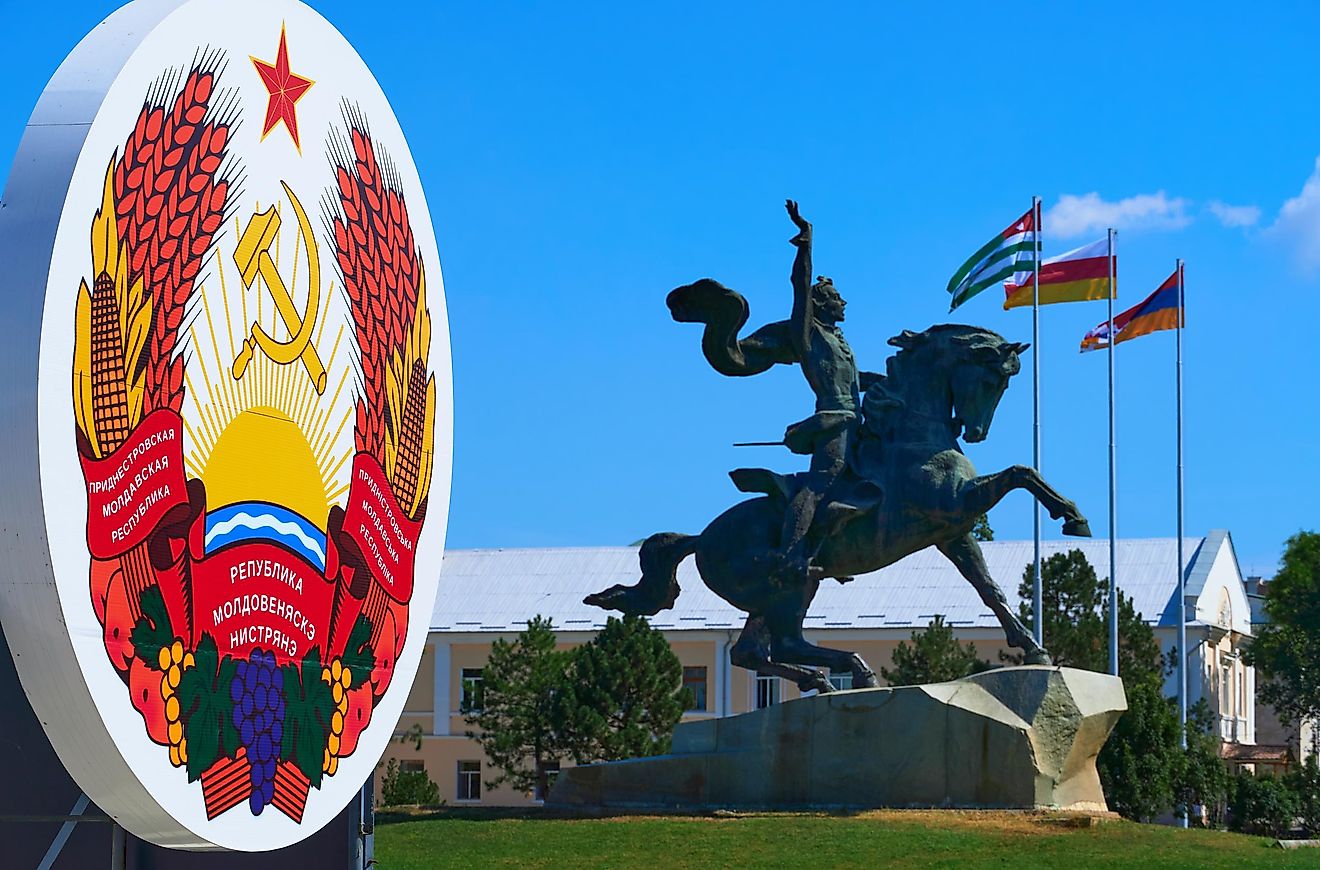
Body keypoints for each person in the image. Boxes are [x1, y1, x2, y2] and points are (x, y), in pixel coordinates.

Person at [774, 200, 861, 581]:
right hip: (832, 420)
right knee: (822, 482)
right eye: (838, 298)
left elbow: (858, 383)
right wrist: (805, 243)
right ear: (823, 305)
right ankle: (791, 553)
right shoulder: (808, 334)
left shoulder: (842, 342)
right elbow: (800, 286)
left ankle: (840, 544)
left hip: (857, 417)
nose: (844, 303)